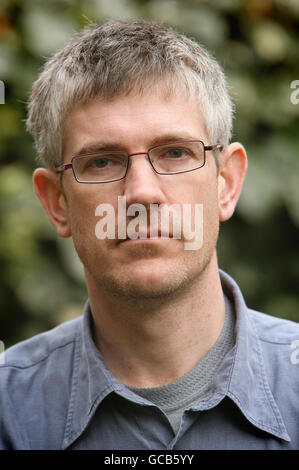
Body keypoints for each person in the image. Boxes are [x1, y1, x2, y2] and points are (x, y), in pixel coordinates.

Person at [0, 19, 298, 451]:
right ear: (56, 202)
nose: (141, 192)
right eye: (101, 162)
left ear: (227, 184)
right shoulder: (9, 412)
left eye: (176, 153)